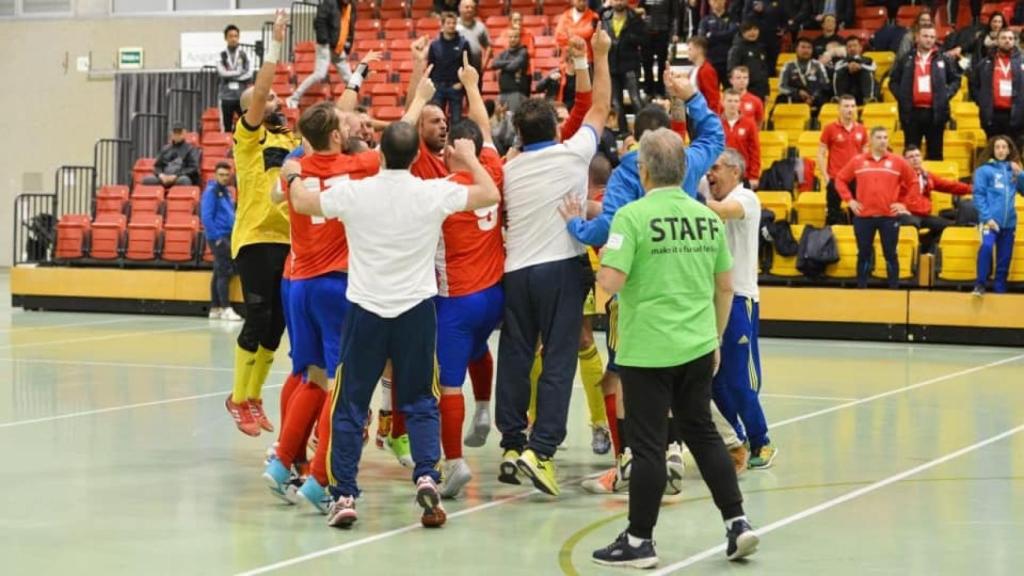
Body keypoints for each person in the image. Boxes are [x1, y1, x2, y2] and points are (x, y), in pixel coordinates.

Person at [282, 108, 500, 528]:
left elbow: (303, 200)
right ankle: (427, 477)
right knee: (420, 400)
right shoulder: (431, 191)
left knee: (349, 402)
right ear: (417, 153)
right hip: (417, 312)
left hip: (366, 310)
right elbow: (489, 193)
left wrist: (292, 173)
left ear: (380, 155)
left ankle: (344, 494)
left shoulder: (357, 192)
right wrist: (471, 158)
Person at [591, 127, 758, 568]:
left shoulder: (631, 216)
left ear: (643, 170)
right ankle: (737, 522)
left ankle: (639, 540)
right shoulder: (706, 217)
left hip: (648, 351)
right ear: (684, 170)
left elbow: (611, 283)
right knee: (702, 433)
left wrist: (596, 291)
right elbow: (725, 287)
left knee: (648, 447)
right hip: (699, 344)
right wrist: (717, 340)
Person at [563, 72, 727, 494]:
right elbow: (714, 133)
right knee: (681, 378)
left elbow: (608, 230)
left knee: (621, 376)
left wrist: (577, 226)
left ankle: (628, 461)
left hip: (638, 292)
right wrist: (690, 96)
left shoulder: (626, 177)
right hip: (686, 290)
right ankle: (674, 451)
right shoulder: (687, 163)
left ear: (634, 144)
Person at [495, 28, 612, 497]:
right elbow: (600, 106)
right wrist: (598, 57)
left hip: (515, 272)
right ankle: (541, 453)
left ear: (518, 134)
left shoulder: (508, 168)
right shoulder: (572, 154)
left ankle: (510, 444)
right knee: (559, 359)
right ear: (556, 129)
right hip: (560, 269)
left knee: (516, 357)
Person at [262, 102, 381, 510]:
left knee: (309, 376)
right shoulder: (359, 166)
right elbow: (396, 149)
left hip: (297, 283)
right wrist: (419, 96)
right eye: (344, 123)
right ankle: (319, 478)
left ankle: (280, 461)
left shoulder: (294, 168)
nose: (351, 126)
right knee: (340, 384)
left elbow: (278, 192)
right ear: (335, 135)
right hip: (336, 283)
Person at [430, 60, 506, 500]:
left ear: (450, 152)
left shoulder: (445, 191)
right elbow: (485, 128)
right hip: (494, 295)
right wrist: (473, 86)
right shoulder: (492, 171)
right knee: (481, 349)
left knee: (448, 381)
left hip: (455, 300)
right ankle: (484, 408)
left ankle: (454, 461)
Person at [224, 11, 299, 437]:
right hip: (254, 238)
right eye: (264, 99)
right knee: (257, 316)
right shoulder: (248, 138)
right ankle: (237, 398)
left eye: (273, 98)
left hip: (287, 240)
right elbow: (262, 90)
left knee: (276, 326)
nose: (273, 101)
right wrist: (275, 43)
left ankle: (253, 397)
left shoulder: (291, 141)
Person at [704, 148, 775, 470]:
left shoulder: (746, 198)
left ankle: (762, 441)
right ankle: (737, 439)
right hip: (711, 299)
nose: (709, 173)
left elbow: (721, 210)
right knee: (713, 380)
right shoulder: (711, 193)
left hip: (739, 299)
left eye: (715, 167)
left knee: (738, 378)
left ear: (735, 171)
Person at [834, 127, 920, 289]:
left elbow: (914, 182)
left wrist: (904, 204)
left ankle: (894, 290)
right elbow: (840, 179)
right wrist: (850, 201)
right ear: (871, 140)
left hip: (889, 217)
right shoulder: (858, 161)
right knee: (863, 254)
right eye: (879, 137)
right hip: (863, 217)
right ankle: (862, 290)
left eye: (886, 137)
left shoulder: (898, 161)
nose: (883, 141)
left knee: (890, 254)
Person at [889, 23, 961, 161]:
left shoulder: (943, 58)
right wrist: (903, 97)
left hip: (936, 114)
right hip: (911, 113)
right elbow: (893, 81)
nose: (929, 39)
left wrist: (945, 95)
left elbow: (956, 80)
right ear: (917, 37)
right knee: (911, 155)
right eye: (925, 36)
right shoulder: (905, 58)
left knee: (935, 154)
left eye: (932, 37)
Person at [893, 145, 972, 253]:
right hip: (908, 215)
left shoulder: (926, 176)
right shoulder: (898, 176)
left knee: (951, 227)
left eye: (917, 155)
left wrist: (971, 189)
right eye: (911, 157)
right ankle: (911, 256)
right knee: (911, 223)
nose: (915, 159)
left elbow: (948, 185)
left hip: (924, 216)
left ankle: (927, 249)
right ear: (904, 161)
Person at [972, 135, 1023, 296]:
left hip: (1009, 223)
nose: (1001, 150)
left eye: (1004, 147)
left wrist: (1020, 174)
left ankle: (1000, 290)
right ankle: (980, 285)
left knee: (1004, 258)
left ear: (1009, 150)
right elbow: (978, 196)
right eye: (997, 147)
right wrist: (988, 218)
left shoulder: (1013, 171)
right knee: (986, 247)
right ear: (992, 150)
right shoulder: (983, 170)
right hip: (990, 222)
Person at [286, 0, 355, 109]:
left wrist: (347, 45)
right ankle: (293, 98)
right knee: (320, 74)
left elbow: (349, 27)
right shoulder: (329, 3)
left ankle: (352, 107)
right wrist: (324, 41)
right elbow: (319, 21)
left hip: (338, 47)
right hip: (325, 46)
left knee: (351, 80)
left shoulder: (350, 7)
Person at [200, 161, 241, 321]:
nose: (224, 178)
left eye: (226, 175)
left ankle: (215, 308)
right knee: (225, 271)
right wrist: (216, 238)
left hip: (228, 235)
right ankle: (226, 308)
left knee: (218, 272)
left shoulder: (227, 191)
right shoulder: (211, 191)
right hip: (219, 237)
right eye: (221, 175)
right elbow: (207, 216)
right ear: (215, 175)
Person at [818, 94, 867, 225]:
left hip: (855, 178)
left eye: (852, 106)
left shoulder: (862, 130)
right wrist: (826, 177)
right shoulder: (829, 129)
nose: (850, 109)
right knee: (833, 215)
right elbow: (821, 154)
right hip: (835, 177)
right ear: (839, 109)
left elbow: (866, 155)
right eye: (846, 106)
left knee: (857, 214)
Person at [603, 0, 647, 134]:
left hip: (630, 65)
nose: (619, 2)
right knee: (616, 103)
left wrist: (628, 38)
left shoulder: (635, 17)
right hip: (612, 65)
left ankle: (643, 132)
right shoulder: (605, 17)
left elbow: (645, 40)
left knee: (636, 100)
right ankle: (623, 133)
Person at [974, 28, 1024, 144]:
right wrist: (982, 101)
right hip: (993, 115)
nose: (1007, 41)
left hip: (1016, 115)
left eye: (1010, 38)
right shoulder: (985, 63)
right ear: (997, 41)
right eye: (1004, 38)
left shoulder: (1022, 62)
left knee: (1014, 155)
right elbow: (974, 84)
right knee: (993, 152)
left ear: (1014, 41)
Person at [553, 0, 600, 108]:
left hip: (587, 61)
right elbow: (559, 36)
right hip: (568, 62)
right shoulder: (565, 16)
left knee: (586, 95)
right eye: (579, 0)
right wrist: (580, 35)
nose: (582, 3)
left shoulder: (594, 16)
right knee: (568, 96)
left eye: (584, 0)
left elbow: (590, 33)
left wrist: (570, 33)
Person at [429, 12, 471, 124]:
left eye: (454, 23)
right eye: (448, 23)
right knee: (437, 120)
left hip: (456, 87)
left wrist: (461, 83)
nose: (451, 25)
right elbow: (430, 65)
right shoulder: (434, 45)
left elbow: (467, 65)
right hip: (438, 87)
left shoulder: (463, 43)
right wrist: (433, 84)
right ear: (442, 25)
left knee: (456, 121)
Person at [638, 0, 680, 97]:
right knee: (646, 62)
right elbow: (639, 9)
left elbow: (675, 15)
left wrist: (675, 32)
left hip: (663, 30)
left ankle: (661, 89)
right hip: (646, 31)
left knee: (662, 62)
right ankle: (649, 89)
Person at [777, 37, 829, 116]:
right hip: (794, 99)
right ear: (796, 49)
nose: (806, 50)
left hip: (815, 100)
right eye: (803, 47)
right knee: (781, 99)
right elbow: (782, 87)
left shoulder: (818, 65)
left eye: (809, 48)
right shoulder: (788, 66)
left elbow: (824, 85)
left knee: (825, 98)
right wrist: (797, 92)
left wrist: (813, 97)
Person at [720, 89, 761, 187]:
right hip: (721, 174)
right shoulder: (715, 124)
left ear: (740, 104)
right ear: (722, 102)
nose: (733, 104)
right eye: (729, 101)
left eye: (736, 101)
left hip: (743, 175)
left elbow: (755, 150)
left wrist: (754, 176)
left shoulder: (749, 124)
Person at [217, 24, 253, 133]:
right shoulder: (221, 55)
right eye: (230, 36)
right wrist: (238, 72)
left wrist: (232, 76)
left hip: (242, 97)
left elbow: (249, 74)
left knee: (247, 127)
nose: (233, 39)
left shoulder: (245, 54)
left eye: (236, 36)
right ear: (226, 38)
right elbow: (222, 73)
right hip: (226, 97)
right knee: (226, 128)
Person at [490, 27, 531, 113]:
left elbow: (513, 67)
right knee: (501, 121)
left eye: (515, 37)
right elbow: (493, 64)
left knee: (513, 120)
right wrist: (510, 61)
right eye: (510, 37)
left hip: (516, 94)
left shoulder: (523, 52)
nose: (513, 39)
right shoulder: (504, 53)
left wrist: (501, 65)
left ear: (519, 38)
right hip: (502, 93)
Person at [727, 21, 770, 103]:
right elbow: (732, 70)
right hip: (744, 91)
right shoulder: (737, 49)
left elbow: (764, 71)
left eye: (755, 29)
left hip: (760, 91)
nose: (752, 32)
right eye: (749, 30)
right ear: (742, 32)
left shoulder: (761, 48)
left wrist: (766, 91)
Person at [697, 0, 738, 85]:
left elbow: (732, 35)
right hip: (712, 62)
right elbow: (703, 40)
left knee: (731, 92)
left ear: (724, 1)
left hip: (729, 62)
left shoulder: (733, 18)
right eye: (714, 0)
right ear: (709, 2)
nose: (717, 2)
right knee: (711, 93)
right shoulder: (705, 20)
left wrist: (712, 35)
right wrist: (725, 35)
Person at [743, 0, 786, 73]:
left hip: (773, 40)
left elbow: (785, 18)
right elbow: (745, 19)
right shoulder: (749, 1)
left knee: (771, 66)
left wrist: (784, 29)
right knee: (757, 67)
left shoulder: (779, 2)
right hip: (756, 41)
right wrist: (755, 12)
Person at [833, 35, 877, 105]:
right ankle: (838, 98)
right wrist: (847, 66)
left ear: (860, 48)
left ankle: (869, 98)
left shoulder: (869, 60)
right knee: (839, 72)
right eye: (849, 46)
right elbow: (836, 69)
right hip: (847, 92)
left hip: (862, 91)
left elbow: (874, 68)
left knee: (867, 72)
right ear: (846, 49)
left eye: (855, 46)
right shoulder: (840, 62)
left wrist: (860, 66)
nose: (852, 48)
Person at [688, 37, 722, 113]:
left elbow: (713, 97)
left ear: (699, 50)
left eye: (690, 49)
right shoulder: (693, 70)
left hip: (704, 115)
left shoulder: (707, 70)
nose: (688, 52)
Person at [457, 0, 491, 74]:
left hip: (476, 68)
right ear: (459, 8)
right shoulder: (453, 25)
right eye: (467, 7)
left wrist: (484, 64)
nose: (470, 9)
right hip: (456, 69)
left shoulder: (481, 26)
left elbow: (488, 47)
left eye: (472, 7)